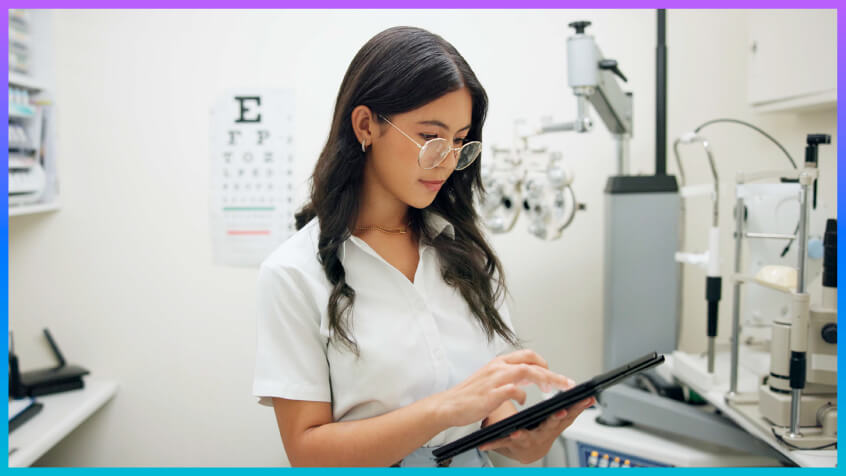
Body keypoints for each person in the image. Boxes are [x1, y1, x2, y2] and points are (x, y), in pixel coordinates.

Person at [252, 25, 593, 467]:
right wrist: (446, 409)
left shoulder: (464, 250)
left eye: (458, 141)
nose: (448, 162)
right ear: (365, 125)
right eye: (431, 137)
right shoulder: (294, 273)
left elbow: (489, 408)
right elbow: (307, 451)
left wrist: (520, 438)